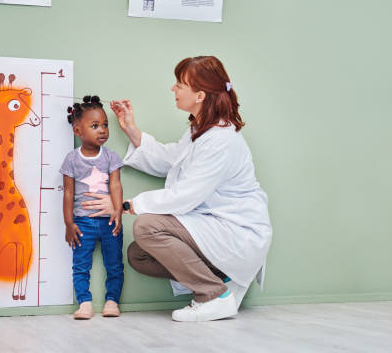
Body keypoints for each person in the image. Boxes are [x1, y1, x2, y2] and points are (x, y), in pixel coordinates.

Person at [85, 56, 273, 322]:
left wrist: (125, 205)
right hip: (212, 226)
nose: (173, 89)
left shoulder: (221, 139)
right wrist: (132, 131)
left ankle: (213, 296)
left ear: (200, 95)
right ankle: (221, 277)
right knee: (139, 255)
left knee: (146, 226)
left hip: (236, 230)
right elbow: (173, 160)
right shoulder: (201, 129)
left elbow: (186, 195)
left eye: (179, 84)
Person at [59, 95, 125, 320]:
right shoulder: (71, 159)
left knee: (114, 264)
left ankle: (112, 301)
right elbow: (68, 193)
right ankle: (85, 303)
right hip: (82, 222)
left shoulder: (110, 157)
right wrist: (69, 223)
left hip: (109, 221)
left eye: (105, 125)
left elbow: (116, 185)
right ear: (78, 130)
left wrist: (118, 211)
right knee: (81, 265)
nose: (103, 130)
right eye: (95, 126)